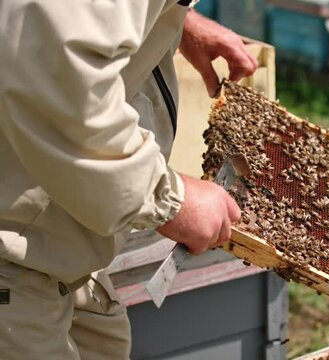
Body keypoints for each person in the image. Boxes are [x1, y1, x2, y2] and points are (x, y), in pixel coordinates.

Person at [0, 2, 257, 358]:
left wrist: (175, 21)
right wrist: (170, 199)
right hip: (15, 246)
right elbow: (56, 69)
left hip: (61, 235)